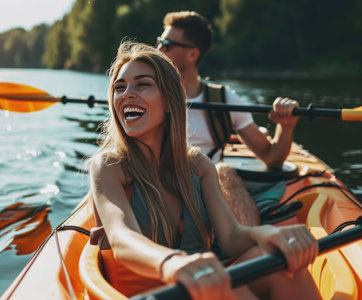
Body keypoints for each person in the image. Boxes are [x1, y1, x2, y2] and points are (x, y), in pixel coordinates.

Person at [88, 41, 319, 299]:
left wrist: (266, 233)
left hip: (199, 287)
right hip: (147, 295)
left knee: (280, 263)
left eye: (142, 84)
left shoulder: (198, 166)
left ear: (169, 101)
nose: (127, 93)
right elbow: (121, 237)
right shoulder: (109, 166)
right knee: (224, 289)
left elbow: (231, 236)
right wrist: (172, 263)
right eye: (120, 87)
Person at [157, 11, 300, 226]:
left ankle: (253, 248)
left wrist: (286, 127)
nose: (158, 50)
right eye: (159, 41)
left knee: (223, 171)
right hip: (161, 185)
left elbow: (272, 158)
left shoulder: (224, 99)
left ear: (192, 54)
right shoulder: (146, 95)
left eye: (166, 44)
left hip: (208, 187)